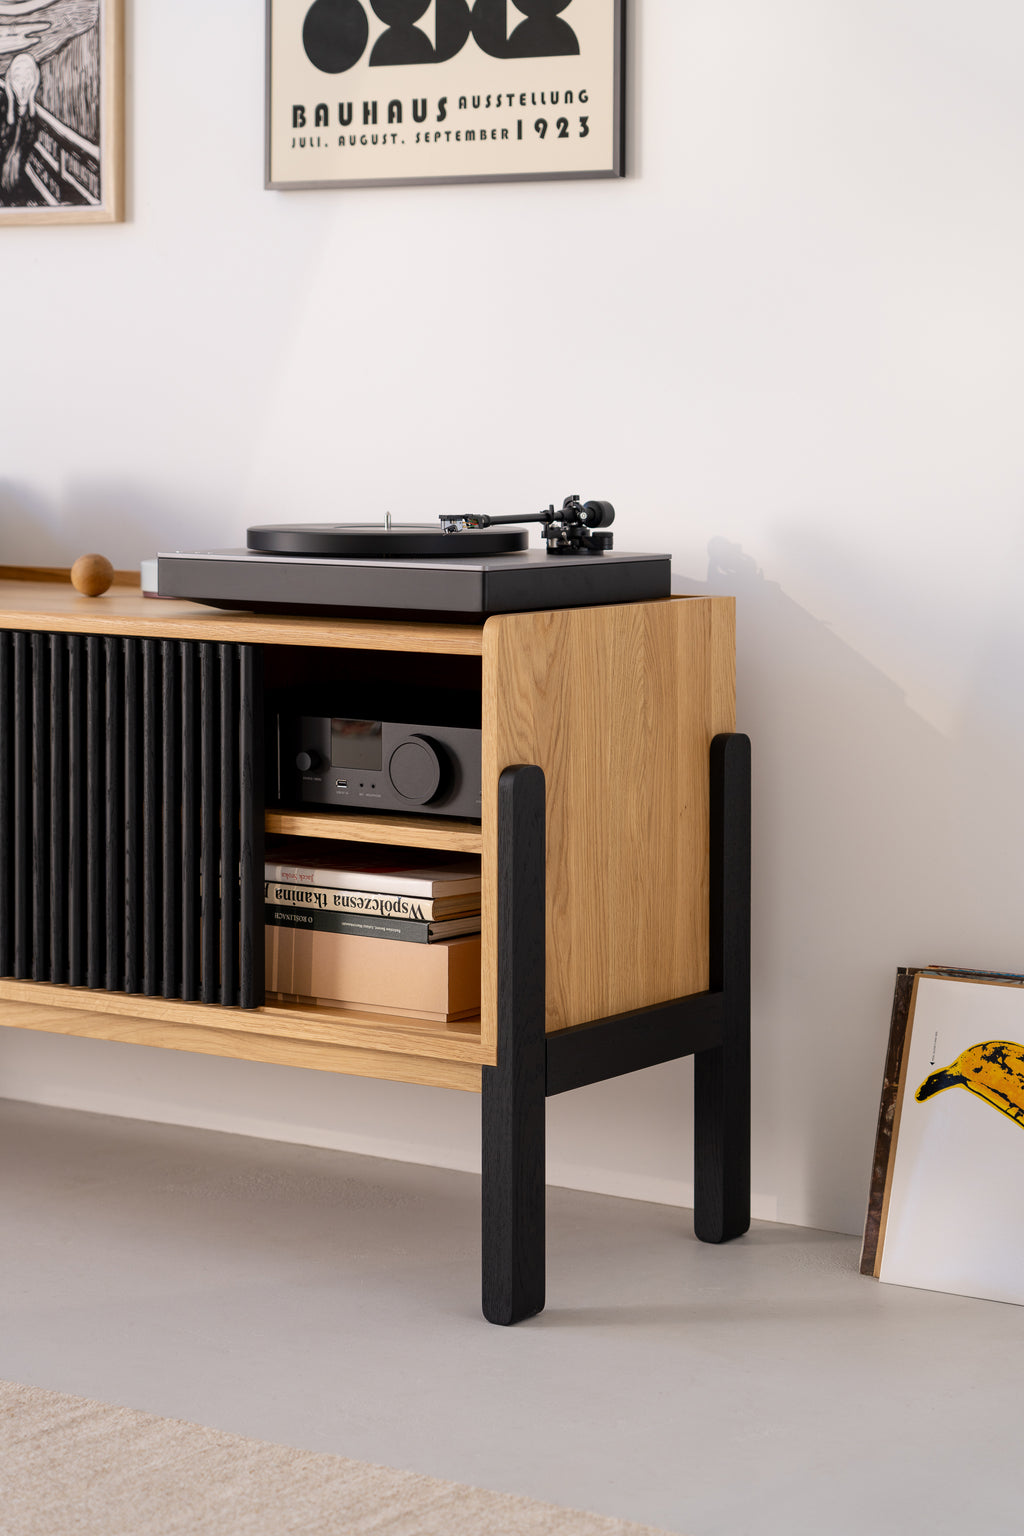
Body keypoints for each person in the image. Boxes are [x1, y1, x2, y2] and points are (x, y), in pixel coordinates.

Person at [0, 53, 42, 206]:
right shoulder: (3, 107)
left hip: (18, 186)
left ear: (35, 81)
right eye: (18, 79)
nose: (23, 85)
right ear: (10, 81)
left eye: (28, 79)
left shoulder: (31, 116)